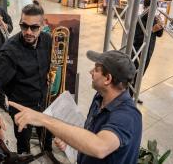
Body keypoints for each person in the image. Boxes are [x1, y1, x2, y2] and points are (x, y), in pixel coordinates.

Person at [8, 50, 142, 164]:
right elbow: (90, 134)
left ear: (108, 79)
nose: (91, 72)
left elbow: (100, 147)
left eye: (96, 69)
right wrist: (71, 144)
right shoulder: (100, 97)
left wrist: (43, 119)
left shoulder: (127, 116)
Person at [0, 0, 54, 155]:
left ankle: (48, 152)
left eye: (34, 27)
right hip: (22, 108)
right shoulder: (10, 51)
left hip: (44, 102)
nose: (28, 31)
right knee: (23, 144)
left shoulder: (48, 40)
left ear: (42, 26)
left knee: (48, 135)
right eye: (24, 26)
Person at [131, 0, 164, 103]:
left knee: (141, 74)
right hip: (138, 50)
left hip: (149, 51)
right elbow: (137, 37)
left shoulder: (154, 18)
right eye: (153, 8)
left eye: (156, 8)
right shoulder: (139, 19)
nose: (155, 11)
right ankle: (128, 96)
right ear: (145, 7)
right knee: (133, 74)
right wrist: (151, 30)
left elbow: (159, 35)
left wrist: (161, 26)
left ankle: (134, 94)